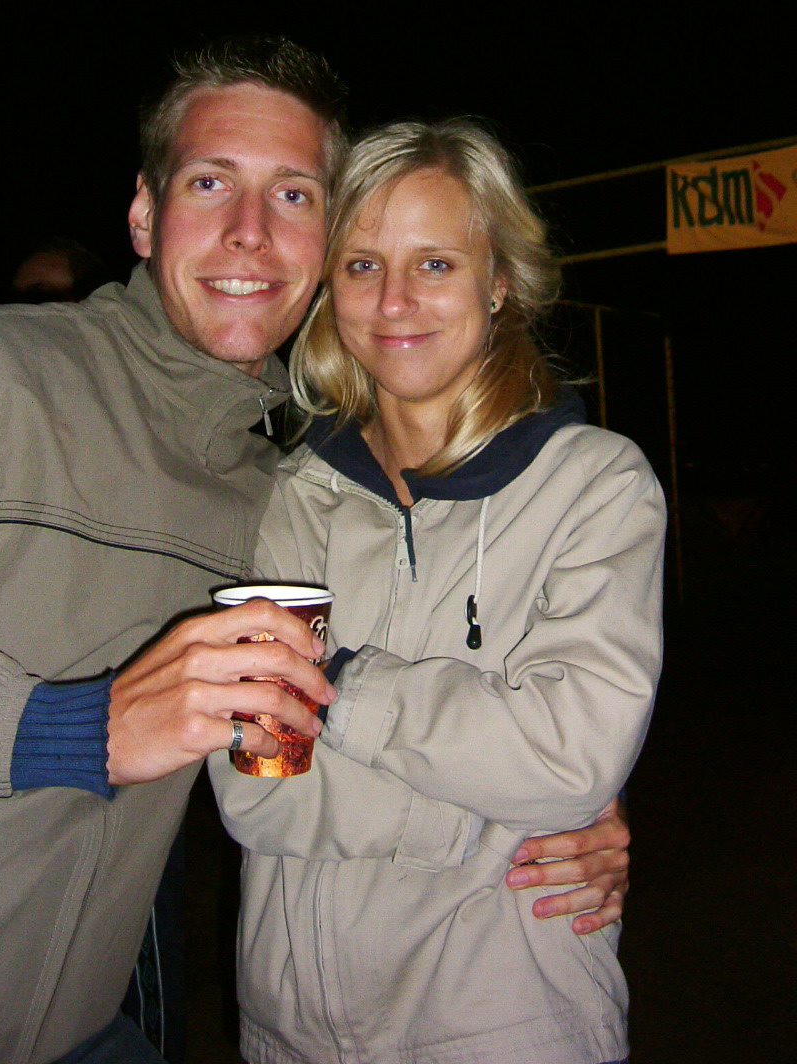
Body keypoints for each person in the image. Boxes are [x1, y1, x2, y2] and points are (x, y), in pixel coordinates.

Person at [0, 41, 628, 1064]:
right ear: (143, 214)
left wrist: (563, 798)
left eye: (294, 194)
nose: (250, 230)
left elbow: (423, 701)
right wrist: (74, 727)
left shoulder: (274, 486)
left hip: (82, 1030)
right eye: (210, 182)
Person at [209, 120, 665, 1064]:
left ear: (498, 280)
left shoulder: (595, 485)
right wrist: (497, 815)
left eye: (435, 264)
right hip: (290, 1028)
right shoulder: (289, 496)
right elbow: (258, 799)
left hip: (507, 1025)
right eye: (363, 265)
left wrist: (337, 684)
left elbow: (571, 761)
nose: (395, 301)